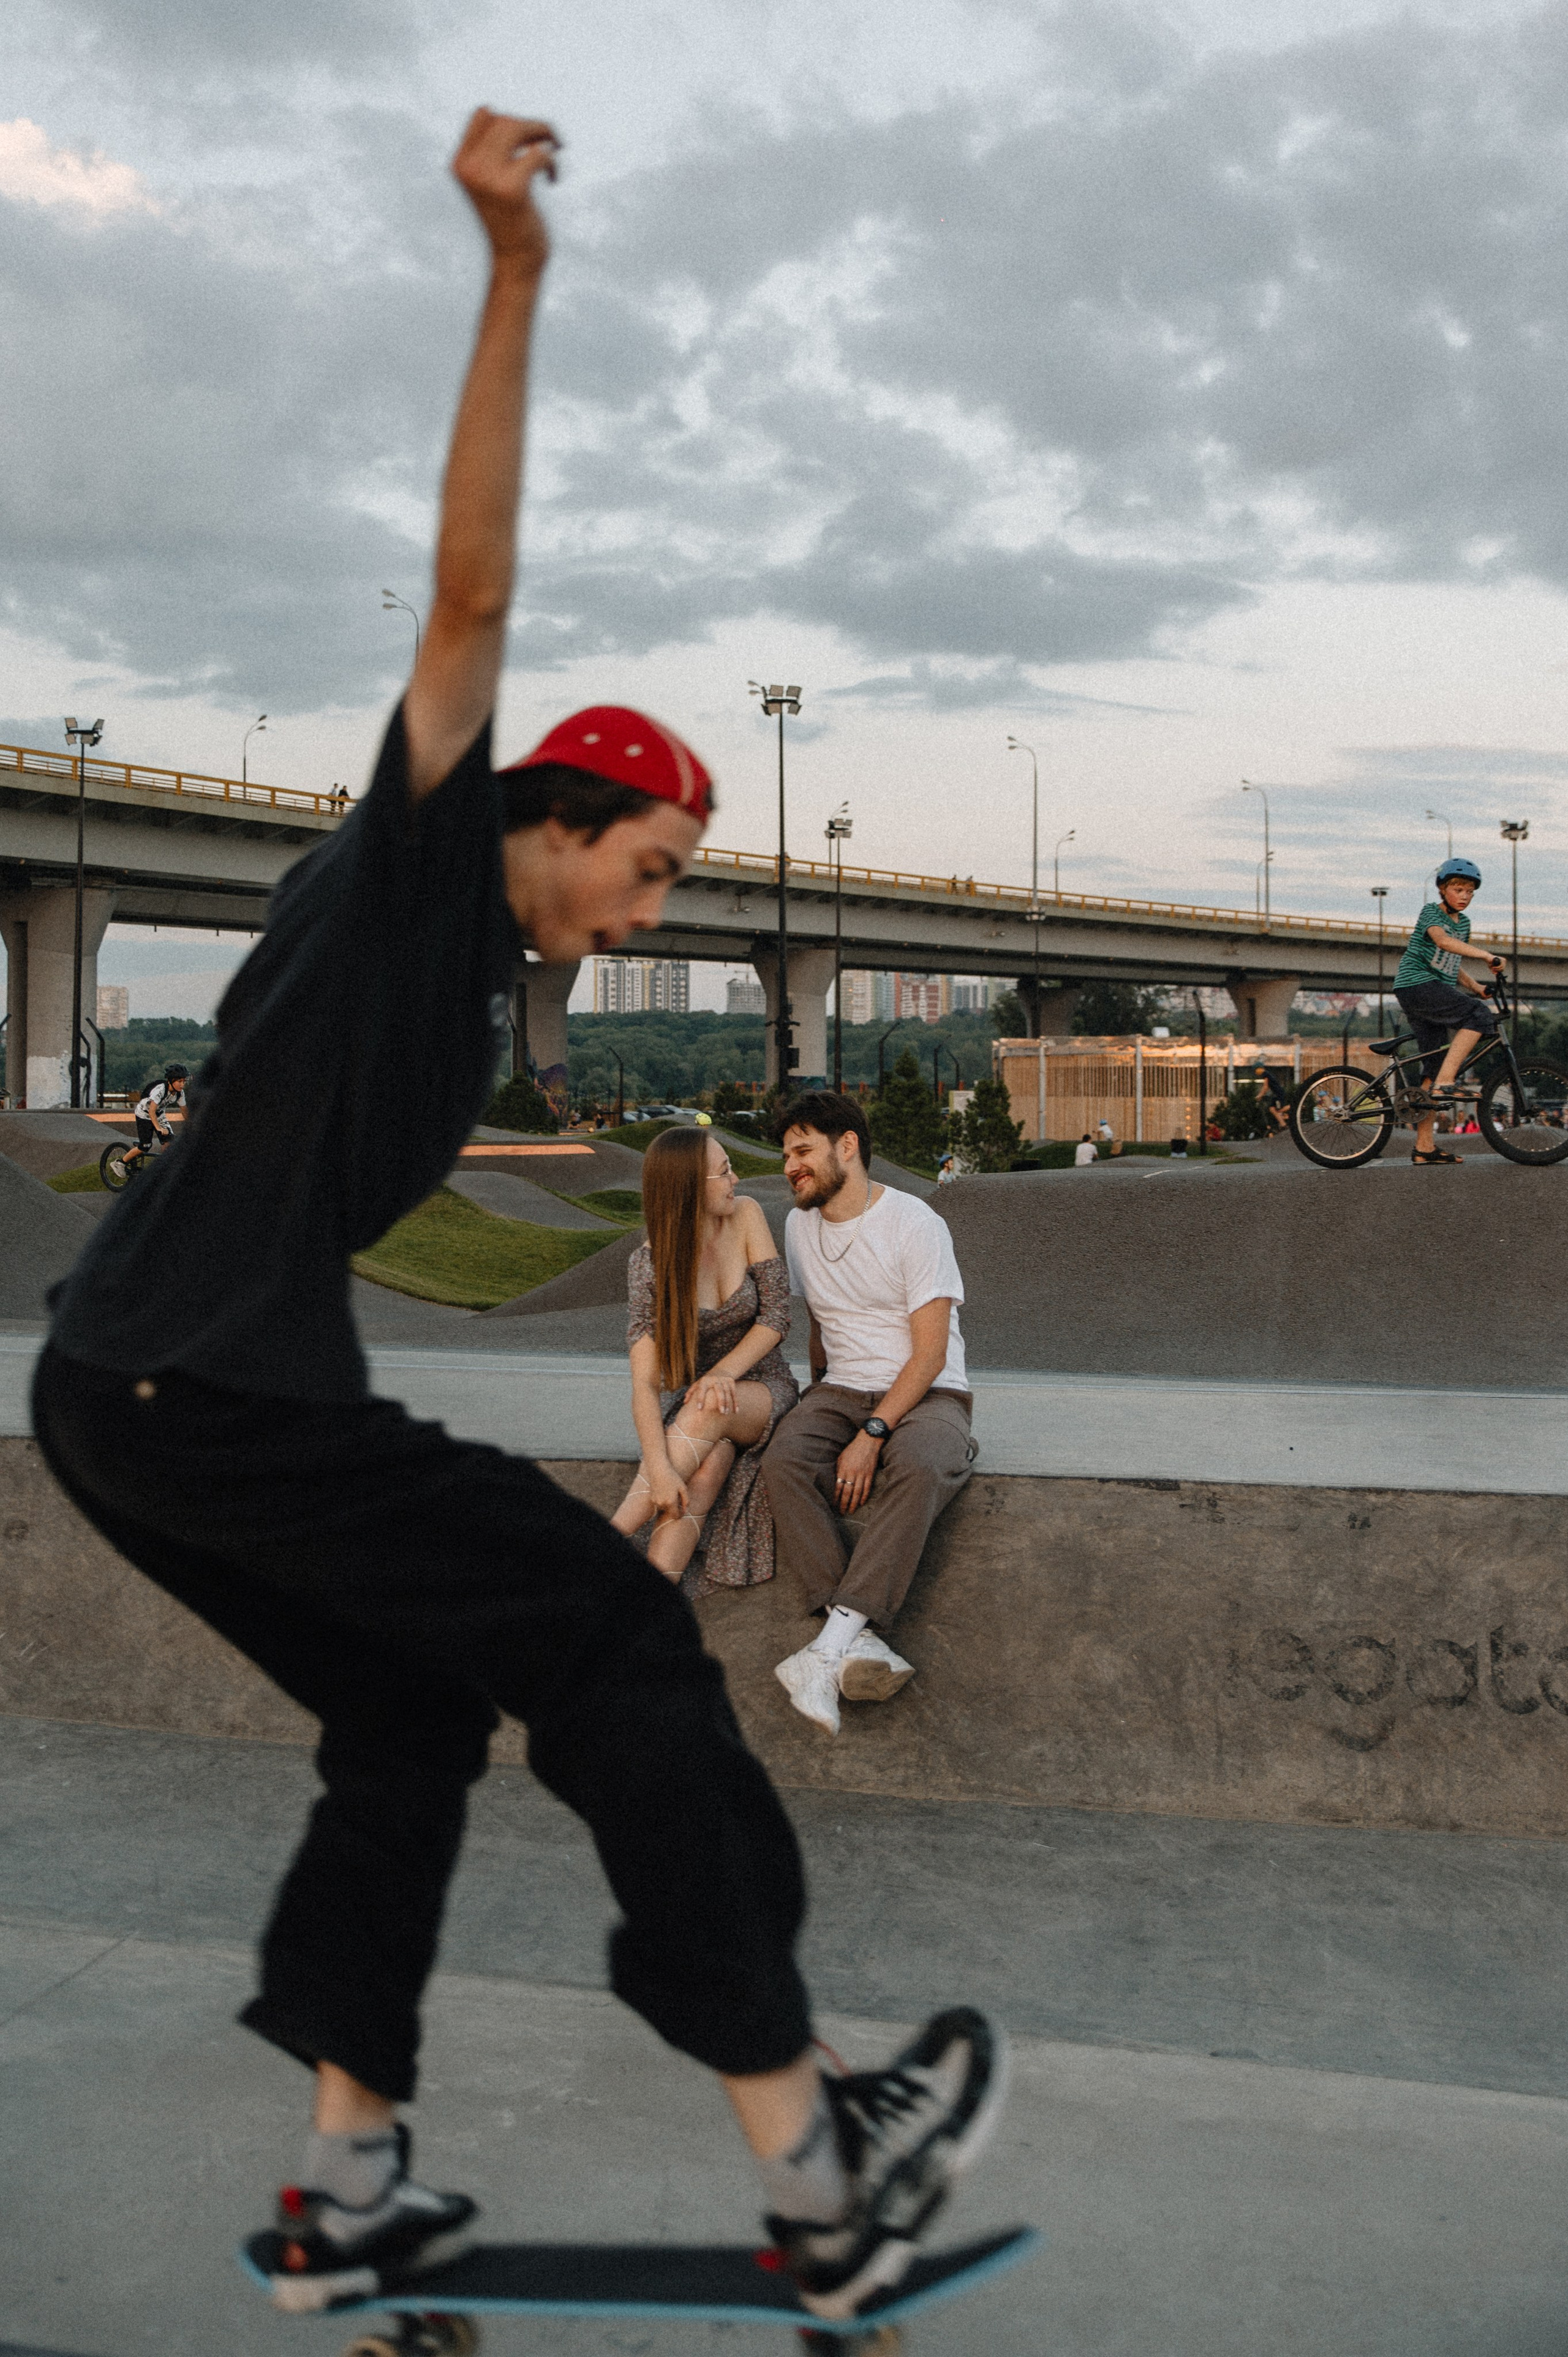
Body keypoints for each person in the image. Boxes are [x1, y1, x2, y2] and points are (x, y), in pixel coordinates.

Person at [32, 111, 1003, 2325]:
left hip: (136, 1392)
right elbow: (465, 589)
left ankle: (349, 2167)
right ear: (545, 816)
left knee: (400, 1718)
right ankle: (813, 2142)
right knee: (607, 1647)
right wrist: (512, 267)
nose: (643, 907)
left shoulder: (460, 959)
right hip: (202, 1390)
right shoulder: (416, 860)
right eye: (636, 866)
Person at [763, 1092, 978, 1737]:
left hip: (929, 1391)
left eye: (803, 1151)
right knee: (783, 1459)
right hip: (840, 1389)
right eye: (785, 1155)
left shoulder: (914, 1222)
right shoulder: (799, 1225)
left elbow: (932, 1351)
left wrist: (872, 1433)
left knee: (919, 1463)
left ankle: (824, 1650)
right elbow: (821, 1329)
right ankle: (850, 1638)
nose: (790, 1167)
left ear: (846, 1146)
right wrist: (821, 1403)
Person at [611, 1126, 797, 1589]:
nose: (735, 1179)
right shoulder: (649, 1267)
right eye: (724, 1172)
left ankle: (600, 1544)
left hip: (763, 1390)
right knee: (706, 1468)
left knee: (709, 1404)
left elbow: (776, 1318)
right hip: (702, 1407)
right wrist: (657, 1468)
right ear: (691, 1187)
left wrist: (721, 1374)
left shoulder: (747, 1215)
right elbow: (644, 1384)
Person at [1392, 858, 1504, 1166]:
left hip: (1432, 989)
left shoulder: (1464, 924)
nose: (1464, 896)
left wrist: (1477, 987)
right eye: (1458, 889)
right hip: (1416, 986)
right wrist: (1485, 954)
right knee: (1479, 1016)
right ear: (1443, 889)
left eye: (1470, 891)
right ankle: (1445, 1082)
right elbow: (1441, 941)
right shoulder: (1431, 912)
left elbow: (1450, 963)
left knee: (1432, 1067)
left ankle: (1424, 1148)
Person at [125, 1063, 187, 1169]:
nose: (182, 1084)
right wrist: (159, 1128)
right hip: (145, 1114)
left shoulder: (180, 1093)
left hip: (159, 1114)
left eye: (184, 1081)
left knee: (170, 1141)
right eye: (179, 1081)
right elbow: (152, 1111)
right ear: (171, 1081)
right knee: (145, 1146)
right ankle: (121, 1163)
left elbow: (185, 1111)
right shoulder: (160, 1090)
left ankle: (164, 1166)